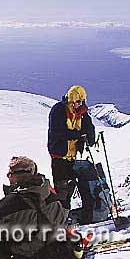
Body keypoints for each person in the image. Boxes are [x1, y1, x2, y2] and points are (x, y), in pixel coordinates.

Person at [47, 85, 96, 224]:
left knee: (72, 186)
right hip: (59, 156)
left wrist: (89, 136)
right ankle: (61, 219)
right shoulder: (58, 110)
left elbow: (89, 130)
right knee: (62, 188)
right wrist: (79, 135)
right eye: (78, 101)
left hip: (73, 157)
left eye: (82, 101)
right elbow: (58, 132)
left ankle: (81, 214)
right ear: (71, 100)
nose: (80, 104)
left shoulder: (82, 113)